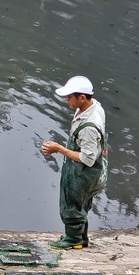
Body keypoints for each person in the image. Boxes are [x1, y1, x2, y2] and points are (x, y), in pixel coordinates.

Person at [41, 75, 108, 249]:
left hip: (83, 170)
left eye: (69, 97)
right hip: (87, 166)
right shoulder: (94, 106)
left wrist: (59, 149)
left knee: (71, 202)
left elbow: (87, 158)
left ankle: (73, 240)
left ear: (82, 98)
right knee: (81, 203)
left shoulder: (89, 127)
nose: (66, 101)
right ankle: (80, 237)